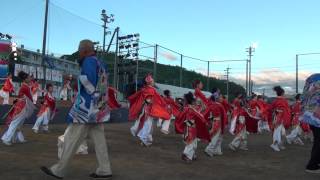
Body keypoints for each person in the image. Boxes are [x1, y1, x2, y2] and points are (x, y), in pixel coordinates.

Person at [40, 40, 112, 179]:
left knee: (72, 137)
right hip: (99, 107)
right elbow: (99, 85)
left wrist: (73, 79)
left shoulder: (88, 61)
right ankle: (105, 169)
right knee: (99, 140)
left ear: (84, 50)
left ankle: (59, 170)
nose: (78, 52)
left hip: (86, 108)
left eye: (79, 50)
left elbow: (88, 83)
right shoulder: (100, 63)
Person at [128, 74, 170, 146]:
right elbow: (152, 99)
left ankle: (146, 138)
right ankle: (144, 138)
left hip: (146, 108)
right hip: (147, 109)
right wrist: (163, 105)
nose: (153, 81)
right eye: (152, 80)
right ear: (149, 82)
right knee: (148, 124)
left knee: (147, 123)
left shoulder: (146, 89)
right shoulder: (150, 89)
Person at [1, 71, 35, 145]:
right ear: (25, 79)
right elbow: (30, 97)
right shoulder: (25, 87)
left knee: (19, 123)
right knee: (15, 123)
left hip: (22, 105)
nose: (30, 79)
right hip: (21, 107)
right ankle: (6, 139)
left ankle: (18, 138)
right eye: (29, 78)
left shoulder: (25, 86)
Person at [175, 92, 210, 162]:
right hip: (191, 128)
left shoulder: (186, 108)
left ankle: (192, 155)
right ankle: (186, 154)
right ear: (192, 101)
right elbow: (199, 116)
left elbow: (179, 116)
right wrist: (205, 123)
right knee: (191, 143)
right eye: (195, 101)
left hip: (186, 127)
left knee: (192, 143)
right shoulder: (191, 109)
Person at [300, 73, 320, 173]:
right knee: (318, 141)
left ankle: (315, 163)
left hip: (309, 115)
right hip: (317, 115)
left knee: (317, 140)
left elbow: (303, 97)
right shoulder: (317, 80)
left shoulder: (311, 80)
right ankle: (312, 166)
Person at [203, 88, 227, 156]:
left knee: (218, 136)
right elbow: (224, 115)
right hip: (219, 122)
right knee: (216, 137)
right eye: (220, 97)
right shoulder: (219, 105)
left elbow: (206, 113)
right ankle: (209, 149)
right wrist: (225, 123)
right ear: (217, 98)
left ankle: (216, 150)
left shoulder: (212, 104)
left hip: (215, 121)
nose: (221, 98)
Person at [270, 86, 291, 152]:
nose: (284, 94)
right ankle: (274, 144)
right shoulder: (283, 100)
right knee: (278, 131)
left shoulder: (275, 100)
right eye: (284, 93)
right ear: (282, 93)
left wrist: (276, 111)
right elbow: (287, 109)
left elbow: (271, 108)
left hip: (278, 117)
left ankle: (279, 144)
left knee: (281, 131)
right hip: (280, 117)